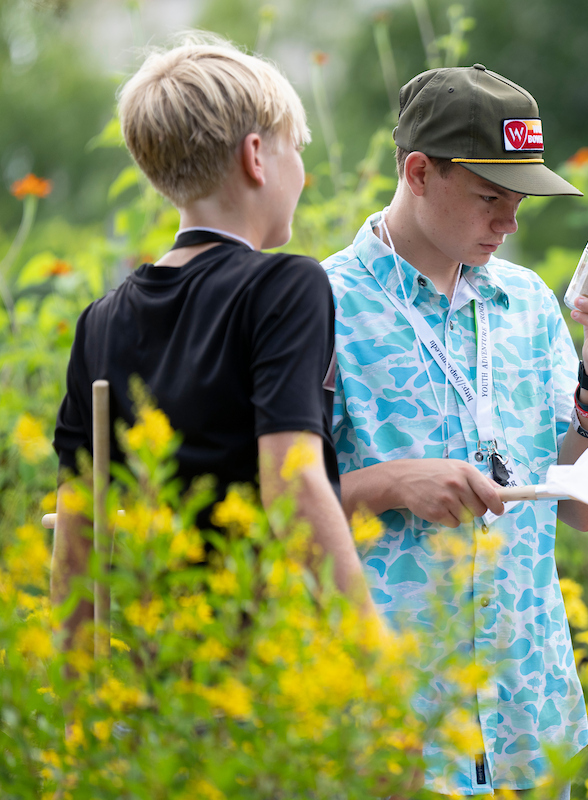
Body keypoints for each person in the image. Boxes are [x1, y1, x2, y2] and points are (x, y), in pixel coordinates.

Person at [322, 64, 588, 796]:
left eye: (519, 202)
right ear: (417, 171)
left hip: (528, 714)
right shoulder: (321, 305)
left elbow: (579, 507)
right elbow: (273, 508)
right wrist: (389, 484)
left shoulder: (528, 303)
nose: (508, 223)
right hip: (395, 718)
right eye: (489, 198)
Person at [50, 35, 375, 656]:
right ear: (257, 156)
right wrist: (374, 664)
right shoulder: (284, 285)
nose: (301, 171)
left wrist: (77, 713)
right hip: (263, 677)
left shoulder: (100, 321)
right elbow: (294, 480)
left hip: (162, 674)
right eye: (296, 151)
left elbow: (77, 530)